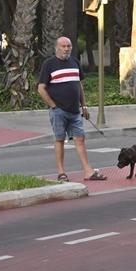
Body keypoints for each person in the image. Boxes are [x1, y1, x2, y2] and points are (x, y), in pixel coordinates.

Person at [37, 36, 106, 181]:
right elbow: (41, 88)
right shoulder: (49, 64)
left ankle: (88, 171)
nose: (66, 49)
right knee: (60, 139)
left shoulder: (74, 62)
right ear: (57, 48)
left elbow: (79, 85)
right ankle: (61, 173)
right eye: (63, 46)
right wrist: (53, 105)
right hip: (58, 111)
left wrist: (84, 105)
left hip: (75, 111)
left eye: (68, 46)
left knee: (80, 139)